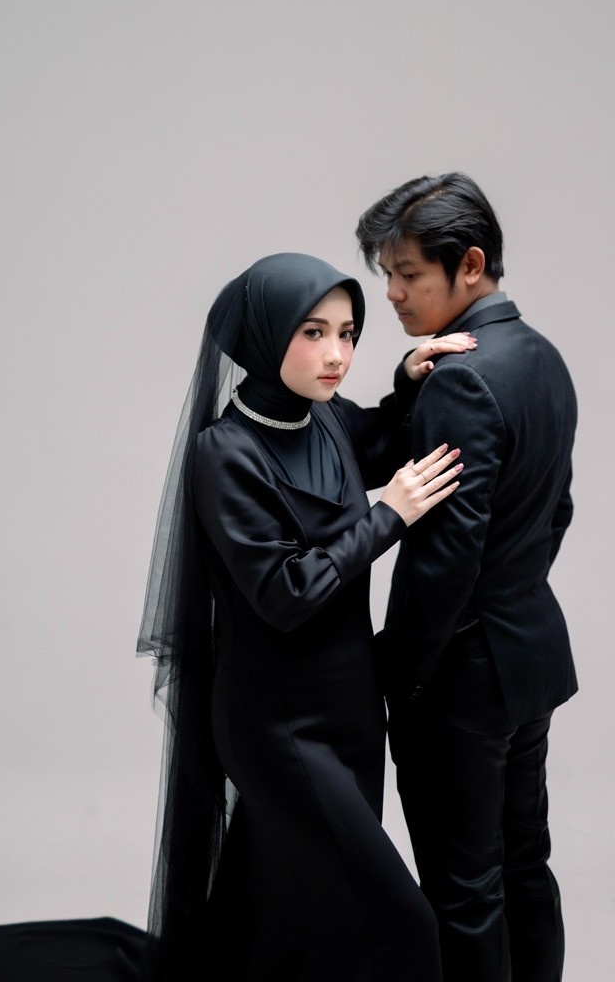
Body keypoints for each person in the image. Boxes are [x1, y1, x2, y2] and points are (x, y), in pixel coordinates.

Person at [137, 252, 472, 982]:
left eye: (348, 334)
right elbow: (286, 593)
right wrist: (389, 516)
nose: (337, 355)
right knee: (397, 924)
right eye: (313, 332)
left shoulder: (328, 418)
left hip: (353, 710)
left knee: (299, 917)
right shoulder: (224, 453)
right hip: (278, 726)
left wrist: (410, 378)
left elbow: (377, 438)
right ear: (264, 337)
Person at [356, 174, 578, 982]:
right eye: (388, 274)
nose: (392, 293)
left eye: (408, 273)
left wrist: (398, 673)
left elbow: (445, 557)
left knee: (464, 891)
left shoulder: (464, 378)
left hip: (460, 677)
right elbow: (558, 510)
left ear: (471, 265)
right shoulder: (543, 358)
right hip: (529, 652)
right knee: (524, 864)